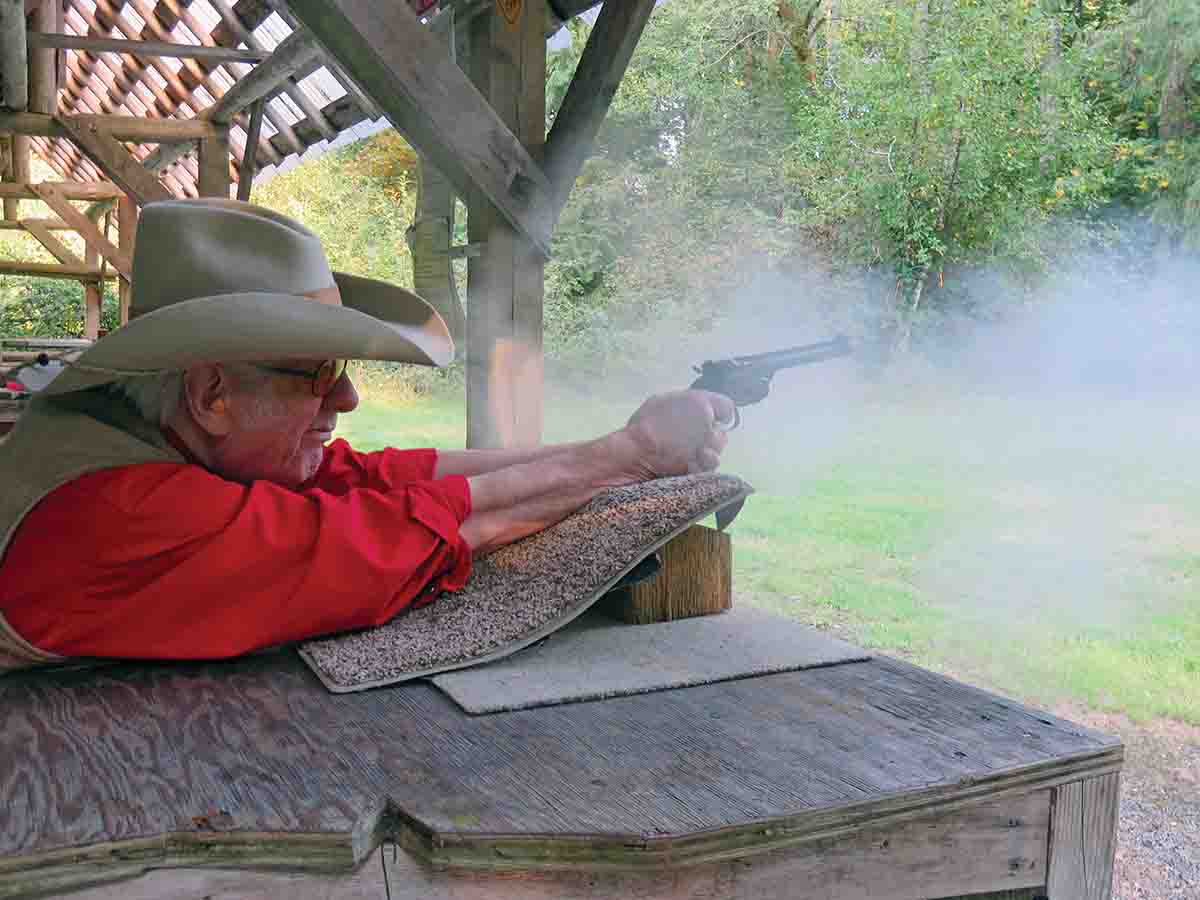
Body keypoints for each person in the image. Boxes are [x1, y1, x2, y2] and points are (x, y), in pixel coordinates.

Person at [0, 199, 731, 672]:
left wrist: (607, 447)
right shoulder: (118, 508)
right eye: (316, 374)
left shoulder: (149, 432)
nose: (346, 397)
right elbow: (367, 547)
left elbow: (376, 477)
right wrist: (629, 459)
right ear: (212, 392)